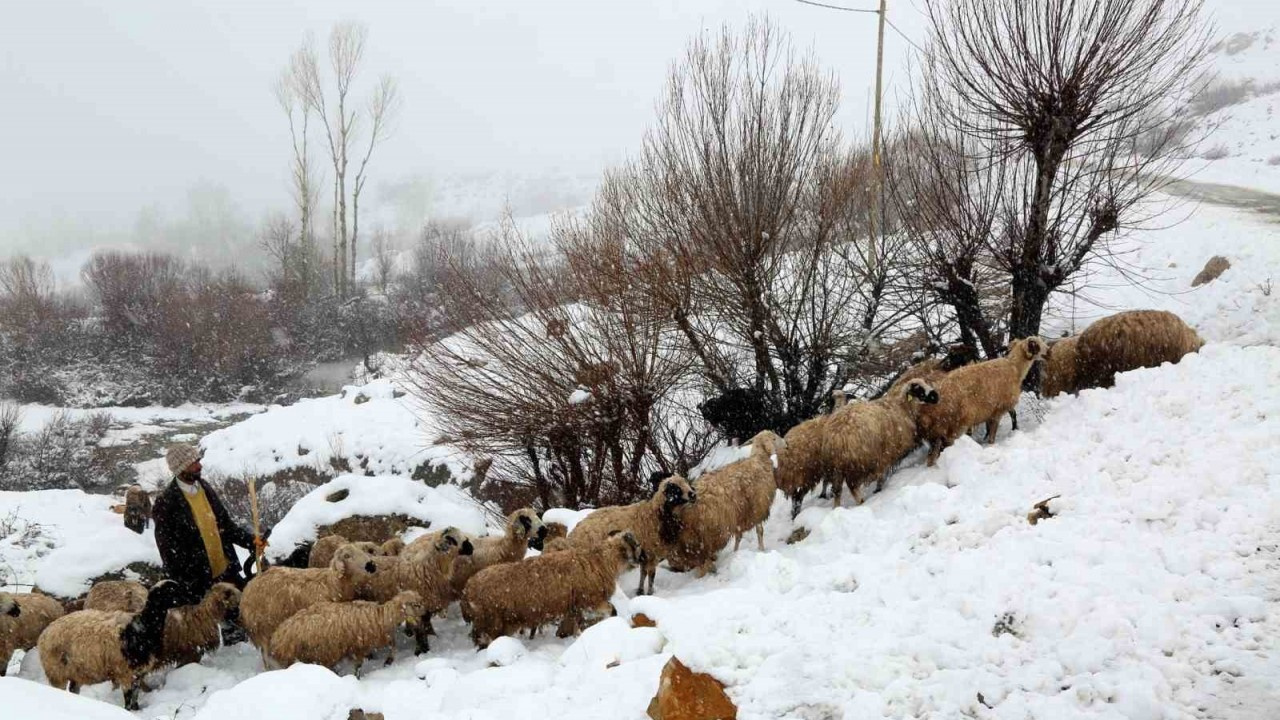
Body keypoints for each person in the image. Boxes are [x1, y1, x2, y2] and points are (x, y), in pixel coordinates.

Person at [152, 443, 266, 606]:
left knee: (244, 611)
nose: (199, 465)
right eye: (193, 463)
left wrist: (250, 540)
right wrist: (188, 583)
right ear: (180, 468)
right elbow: (168, 551)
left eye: (198, 460)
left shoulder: (205, 487)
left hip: (226, 572)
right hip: (199, 582)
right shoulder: (166, 503)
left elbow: (226, 526)